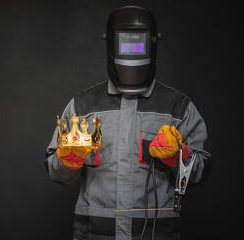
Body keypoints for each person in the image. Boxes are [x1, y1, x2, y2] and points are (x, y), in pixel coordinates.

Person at [45, 6, 212, 240]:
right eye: (124, 43)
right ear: (110, 43)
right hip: (95, 235)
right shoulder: (82, 109)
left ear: (153, 44)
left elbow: (201, 171)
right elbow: (56, 172)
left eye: (138, 44)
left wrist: (178, 157)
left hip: (155, 235)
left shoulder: (177, 108)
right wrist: (67, 161)